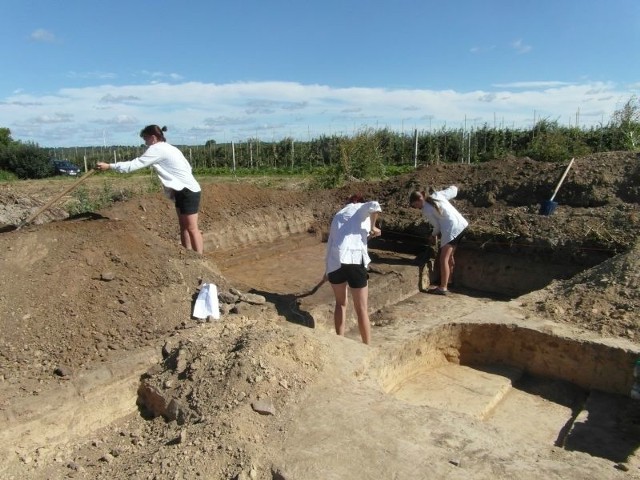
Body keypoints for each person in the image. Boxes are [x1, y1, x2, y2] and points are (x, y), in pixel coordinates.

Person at [96, 125, 204, 254]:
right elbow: (188, 167)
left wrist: (110, 166)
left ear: (153, 137)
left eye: (145, 139)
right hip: (182, 190)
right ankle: (189, 256)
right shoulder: (170, 148)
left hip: (188, 191)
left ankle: (200, 257)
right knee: (184, 227)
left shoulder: (157, 149)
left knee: (191, 228)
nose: (145, 143)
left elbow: (134, 164)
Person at [324, 194, 382, 344]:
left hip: (335, 262)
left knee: (341, 303)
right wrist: (373, 226)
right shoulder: (359, 208)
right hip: (355, 261)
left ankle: (340, 341)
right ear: (358, 202)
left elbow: (333, 243)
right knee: (361, 308)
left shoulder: (339, 214)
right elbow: (375, 205)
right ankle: (367, 346)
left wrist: (327, 270)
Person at [409, 186, 468, 295]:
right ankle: (449, 281)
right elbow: (454, 191)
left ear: (419, 200)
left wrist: (432, 235)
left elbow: (436, 226)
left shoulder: (426, 209)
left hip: (451, 229)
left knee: (443, 259)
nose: (416, 208)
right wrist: (455, 186)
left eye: (415, 205)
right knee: (450, 256)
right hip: (462, 225)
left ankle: (443, 288)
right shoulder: (437, 195)